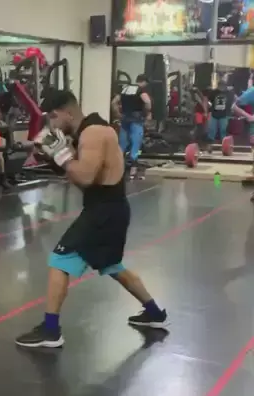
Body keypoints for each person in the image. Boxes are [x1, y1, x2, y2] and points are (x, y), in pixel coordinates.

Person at [15, 90, 167, 348]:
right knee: (112, 265)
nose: (52, 125)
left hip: (104, 212)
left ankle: (51, 330)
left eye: (54, 117)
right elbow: (83, 180)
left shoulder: (93, 133)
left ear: (68, 113)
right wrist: (54, 158)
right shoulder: (87, 132)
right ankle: (154, 313)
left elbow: (84, 177)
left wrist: (62, 155)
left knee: (60, 260)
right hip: (109, 208)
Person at [111, 74, 151, 180]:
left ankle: (118, 171)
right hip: (137, 120)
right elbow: (147, 102)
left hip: (125, 119)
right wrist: (147, 113)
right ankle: (133, 172)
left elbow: (114, 102)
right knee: (135, 145)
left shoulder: (125, 89)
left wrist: (118, 114)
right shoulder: (141, 91)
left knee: (122, 145)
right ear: (144, 82)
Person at [206, 81, 233, 150]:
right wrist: (208, 109)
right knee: (211, 130)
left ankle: (224, 147)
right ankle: (210, 146)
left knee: (223, 131)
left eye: (222, 86)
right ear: (218, 86)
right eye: (220, 86)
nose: (221, 88)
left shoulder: (228, 93)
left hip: (224, 115)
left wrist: (229, 112)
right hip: (214, 114)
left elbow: (231, 103)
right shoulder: (214, 92)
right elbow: (208, 100)